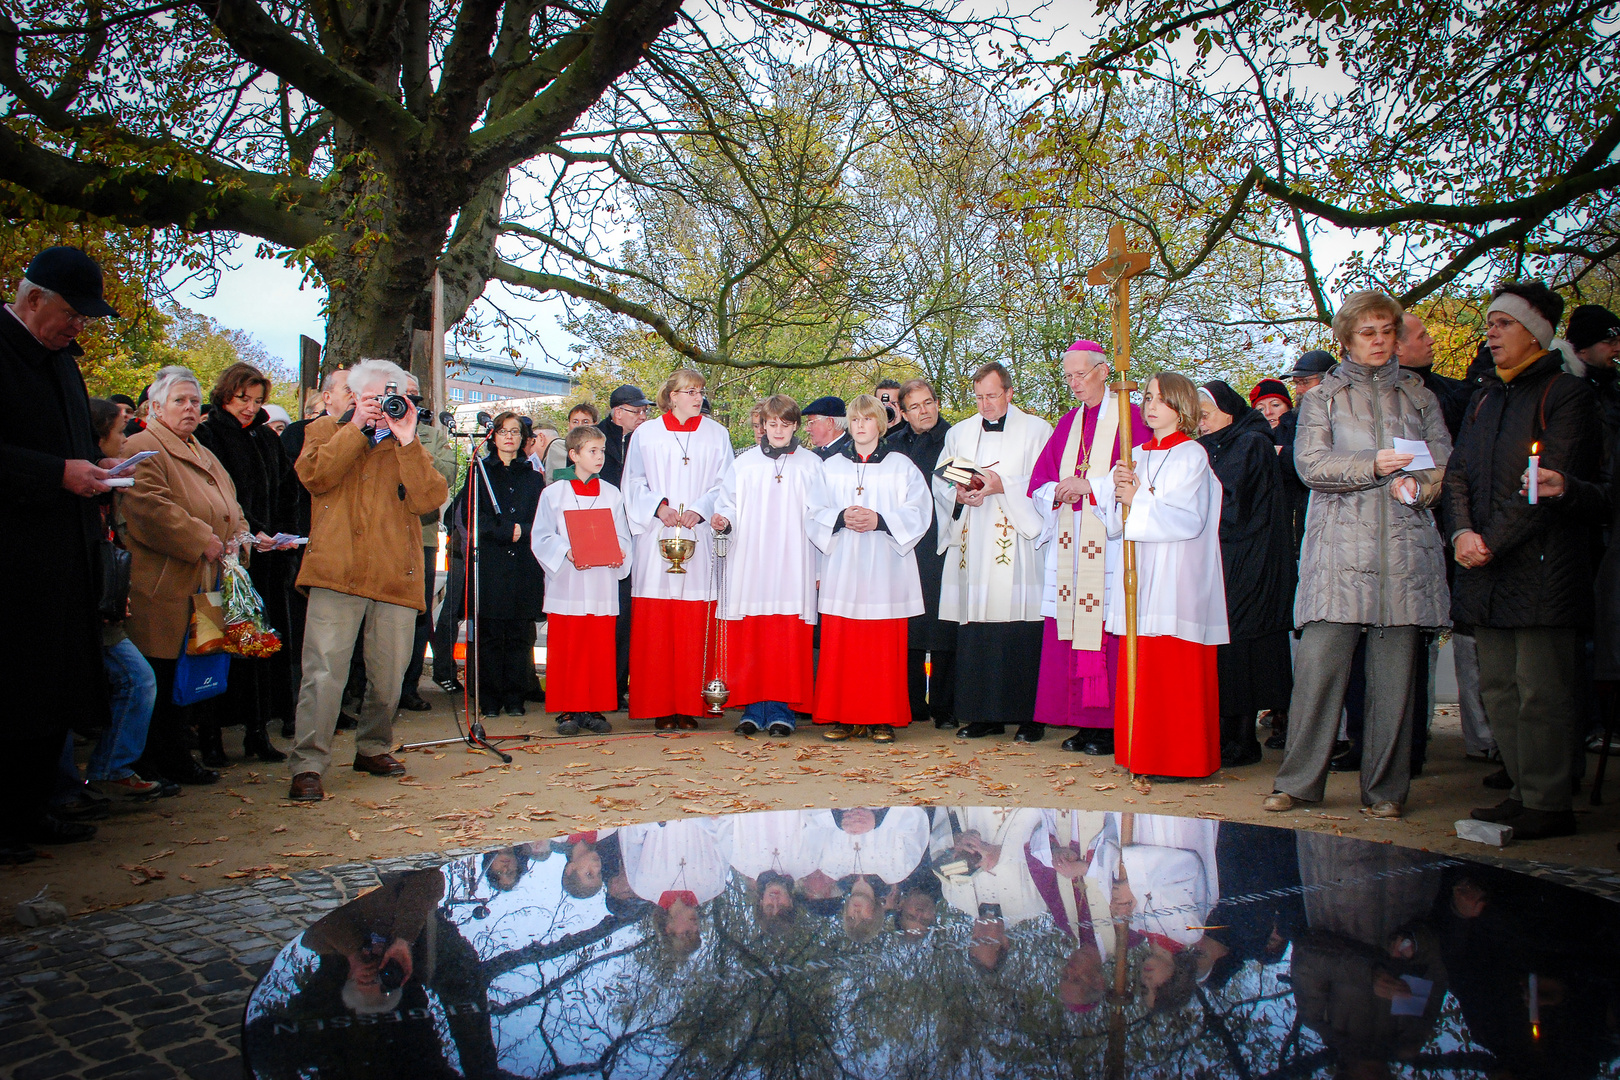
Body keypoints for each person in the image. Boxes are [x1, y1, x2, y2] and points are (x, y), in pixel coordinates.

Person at [1266, 291, 1451, 820]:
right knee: (1321, 669)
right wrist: (1373, 463)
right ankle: (1299, 781)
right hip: (1339, 550)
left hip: (1404, 548)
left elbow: (1444, 463)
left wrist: (1421, 489)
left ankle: (1387, 789)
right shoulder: (1323, 397)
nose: (1378, 341)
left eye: (1386, 331)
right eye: (1366, 332)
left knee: (1395, 678)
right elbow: (1310, 463)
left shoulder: (1419, 397)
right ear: (1346, 339)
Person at [1453, 283, 1599, 840]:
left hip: (1541, 567)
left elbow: (1547, 480)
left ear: (1535, 334)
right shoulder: (1487, 396)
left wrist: (1490, 539)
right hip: (1486, 565)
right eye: (1489, 322)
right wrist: (1463, 531)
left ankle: (1548, 799)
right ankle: (1521, 789)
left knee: (1541, 689)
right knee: (1499, 687)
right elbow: (1460, 471)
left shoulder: (1565, 395)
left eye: (1503, 323)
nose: (1490, 332)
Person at [0, 246, 120, 861]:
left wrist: (101, 470)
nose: (80, 327)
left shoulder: (63, 365)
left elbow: (74, 447)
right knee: (14, 691)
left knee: (48, 693)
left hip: (64, 558)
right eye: (73, 313)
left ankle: (32, 806)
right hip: (14, 562)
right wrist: (56, 474)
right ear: (32, 298)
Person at [287, 358, 451, 802]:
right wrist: (358, 425)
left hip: (394, 574)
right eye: (379, 396)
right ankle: (308, 763)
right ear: (358, 397)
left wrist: (406, 440)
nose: (392, 404)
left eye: (403, 396)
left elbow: (431, 498)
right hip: (336, 570)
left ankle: (373, 746)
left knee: (390, 674)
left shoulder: (413, 439)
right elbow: (315, 476)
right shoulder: (324, 430)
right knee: (323, 673)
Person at [120, 366, 251, 788]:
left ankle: (179, 756)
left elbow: (231, 505)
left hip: (208, 583)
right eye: (179, 400)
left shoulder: (202, 450)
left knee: (195, 675)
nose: (190, 408)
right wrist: (204, 540)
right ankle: (151, 762)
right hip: (163, 585)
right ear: (155, 406)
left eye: (195, 401)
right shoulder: (141, 446)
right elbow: (148, 509)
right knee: (158, 674)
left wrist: (241, 539)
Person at [1098, 373, 1227, 780]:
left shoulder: (1192, 455)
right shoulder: (1134, 453)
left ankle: (1180, 757)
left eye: (1161, 400)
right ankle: (1142, 752)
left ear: (1181, 405)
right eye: (1148, 398)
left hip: (1176, 576)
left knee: (1174, 666)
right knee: (1143, 665)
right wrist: (1114, 492)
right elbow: (1114, 516)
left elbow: (1190, 517)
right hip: (1142, 574)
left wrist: (1138, 499)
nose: (1151, 407)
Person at [1028, 341, 1150, 754]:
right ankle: (1080, 720)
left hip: (1109, 543)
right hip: (1070, 539)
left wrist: (1090, 488)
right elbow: (1038, 483)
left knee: (1103, 631)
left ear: (1103, 371)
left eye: (1080, 374)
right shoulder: (1068, 424)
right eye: (1068, 376)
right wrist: (1057, 492)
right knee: (1070, 628)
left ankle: (1108, 723)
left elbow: (1141, 480)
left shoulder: (1131, 419)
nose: (1074, 383)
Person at [938, 362, 1055, 742]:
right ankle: (982, 714)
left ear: (1009, 392)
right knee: (977, 629)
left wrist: (1003, 485)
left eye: (991, 396)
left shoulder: (1037, 431)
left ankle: (1029, 717)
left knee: (1019, 627)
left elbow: (1045, 483)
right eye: (978, 397)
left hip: (1017, 541)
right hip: (973, 538)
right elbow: (942, 479)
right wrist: (957, 494)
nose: (985, 404)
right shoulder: (959, 433)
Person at [807, 395, 932, 742]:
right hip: (844, 565)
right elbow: (812, 511)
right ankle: (842, 716)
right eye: (855, 419)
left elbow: (920, 511)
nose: (861, 425)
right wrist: (839, 517)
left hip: (885, 568)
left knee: (881, 648)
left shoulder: (901, 466)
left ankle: (881, 718)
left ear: (881, 423)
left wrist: (880, 520)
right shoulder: (831, 467)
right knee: (842, 644)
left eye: (868, 419)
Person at [194, 361, 298, 765]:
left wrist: (283, 532)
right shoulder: (207, 436)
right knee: (217, 644)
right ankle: (211, 735)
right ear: (225, 393)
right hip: (225, 558)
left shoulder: (265, 438)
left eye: (257, 401)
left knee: (260, 645)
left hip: (267, 558)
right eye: (243, 398)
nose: (250, 407)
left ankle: (258, 731)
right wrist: (253, 530)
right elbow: (222, 498)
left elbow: (287, 488)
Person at [621, 368, 735, 728]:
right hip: (657, 534)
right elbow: (633, 481)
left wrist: (701, 509)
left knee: (693, 622)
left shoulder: (718, 435)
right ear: (671, 396)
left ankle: (689, 704)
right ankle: (658, 705)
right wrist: (659, 506)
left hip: (697, 537)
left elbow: (727, 484)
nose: (697, 397)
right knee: (656, 624)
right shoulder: (646, 434)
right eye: (689, 391)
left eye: (700, 391)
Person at [711, 395, 824, 736]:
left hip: (794, 560)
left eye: (785, 425)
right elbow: (727, 502)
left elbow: (821, 515)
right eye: (771, 424)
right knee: (752, 635)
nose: (778, 431)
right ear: (762, 425)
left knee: (785, 639)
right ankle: (751, 708)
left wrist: (818, 570)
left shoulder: (811, 465)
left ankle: (781, 711)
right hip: (751, 557)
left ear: (795, 426)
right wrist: (723, 521)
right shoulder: (744, 464)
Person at [1198, 381, 1296, 767]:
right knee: (1226, 651)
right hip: (1223, 559)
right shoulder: (1213, 445)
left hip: (1251, 562)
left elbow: (1231, 500)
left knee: (1242, 650)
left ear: (1228, 410)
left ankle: (1241, 738)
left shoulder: (1251, 443)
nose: (1201, 423)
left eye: (1205, 415)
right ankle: (1225, 734)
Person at [83, 399, 168, 800]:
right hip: (97, 608)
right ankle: (109, 768)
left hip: (106, 604)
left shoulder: (106, 488)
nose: (126, 439)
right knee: (137, 679)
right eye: (119, 432)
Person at [532, 426, 632, 734]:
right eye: (592, 451)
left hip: (601, 582)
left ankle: (594, 709)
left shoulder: (612, 494)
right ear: (573, 455)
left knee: (599, 648)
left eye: (602, 451)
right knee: (569, 648)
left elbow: (623, 537)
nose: (599, 457)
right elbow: (542, 536)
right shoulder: (553, 493)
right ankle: (568, 710)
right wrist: (566, 551)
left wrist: (620, 555)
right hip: (568, 583)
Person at [282, 367, 353, 732]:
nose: (356, 396)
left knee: (340, 648)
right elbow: (309, 482)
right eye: (348, 389)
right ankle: (299, 716)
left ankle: (336, 710)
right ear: (326, 397)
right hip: (304, 544)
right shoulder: (301, 433)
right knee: (313, 645)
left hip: (349, 553)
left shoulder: (375, 433)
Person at [464, 411, 546, 718]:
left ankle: (515, 697)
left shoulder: (533, 477)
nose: (509, 436)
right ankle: (489, 698)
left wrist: (522, 530)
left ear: (523, 438)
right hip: (492, 562)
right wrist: (502, 531)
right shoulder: (479, 471)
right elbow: (472, 515)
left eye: (514, 431)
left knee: (518, 634)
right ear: (493, 436)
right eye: (502, 431)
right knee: (490, 634)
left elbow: (542, 518)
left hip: (523, 563)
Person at [889, 378, 958, 729]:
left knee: (943, 623)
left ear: (936, 402)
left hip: (942, 541)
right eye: (914, 406)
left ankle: (944, 706)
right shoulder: (893, 445)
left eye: (928, 403)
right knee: (909, 623)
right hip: (904, 545)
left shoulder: (955, 439)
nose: (924, 411)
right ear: (902, 411)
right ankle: (912, 702)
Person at [396, 374, 458, 712]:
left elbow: (444, 476)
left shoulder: (432, 436)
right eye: (401, 396)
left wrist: (411, 447)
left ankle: (409, 685)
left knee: (420, 614)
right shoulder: (372, 432)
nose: (407, 403)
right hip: (380, 541)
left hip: (421, 537)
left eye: (414, 397)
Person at [598, 384, 651, 707]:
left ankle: (619, 685)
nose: (643, 416)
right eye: (637, 411)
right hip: (601, 531)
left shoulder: (643, 440)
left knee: (627, 615)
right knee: (603, 614)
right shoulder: (596, 440)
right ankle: (599, 686)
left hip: (634, 533)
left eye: (646, 410)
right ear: (618, 413)